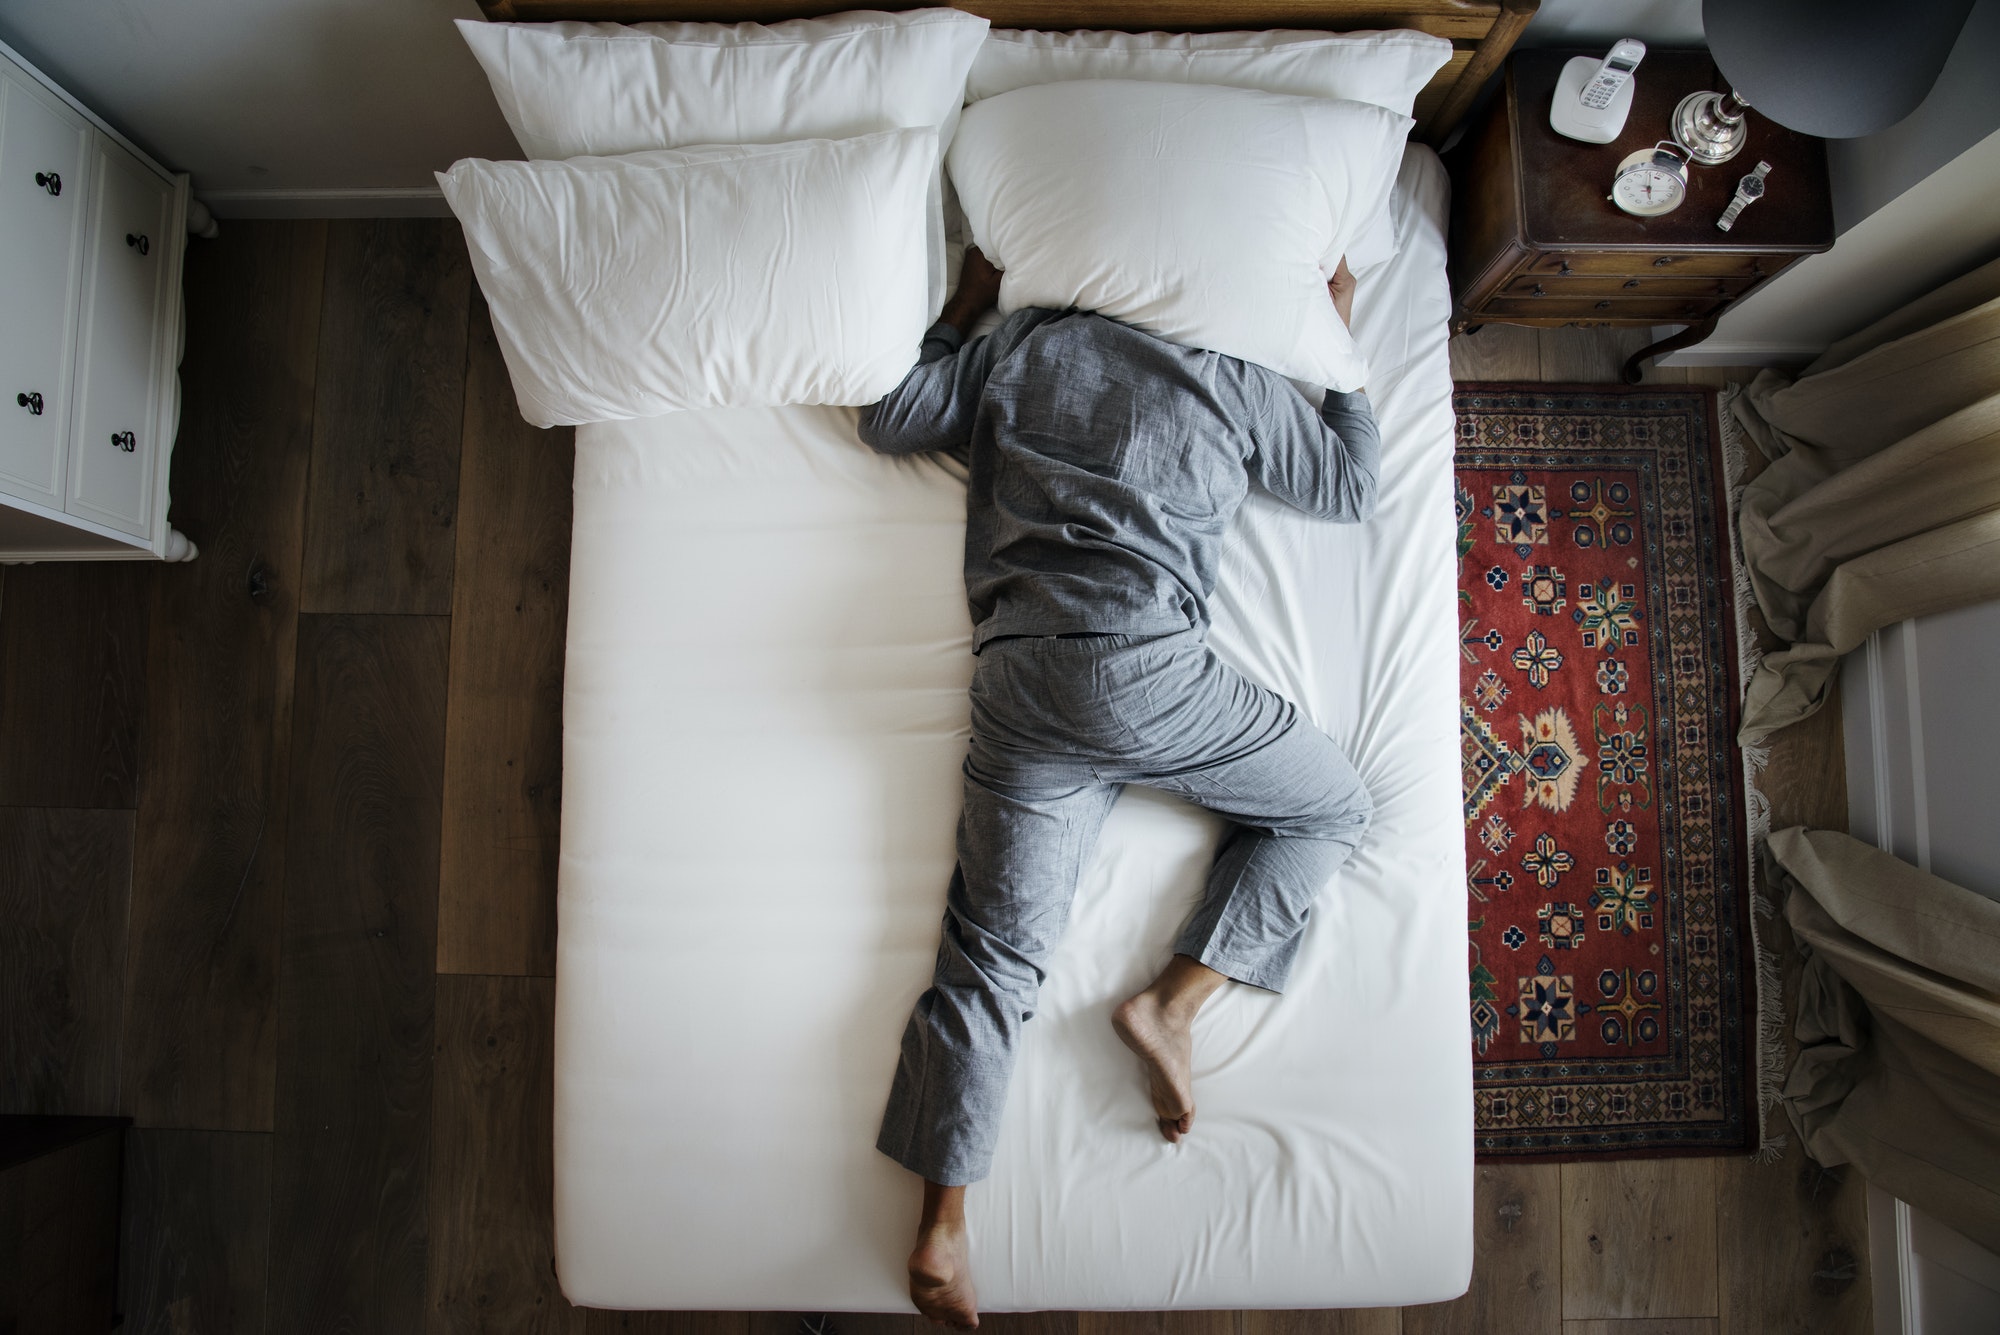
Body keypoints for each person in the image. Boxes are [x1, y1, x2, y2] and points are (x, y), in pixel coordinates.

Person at [858, 249, 1380, 1328]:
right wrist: (1340, 341)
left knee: (990, 957)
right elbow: (1347, 485)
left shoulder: (1021, 345)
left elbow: (890, 415)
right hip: (1145, 670)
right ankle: (1170, 1004)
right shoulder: (1228, 371)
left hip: (1020, 681)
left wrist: (964, 304)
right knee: (1329, 807)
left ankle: (943, 1221)